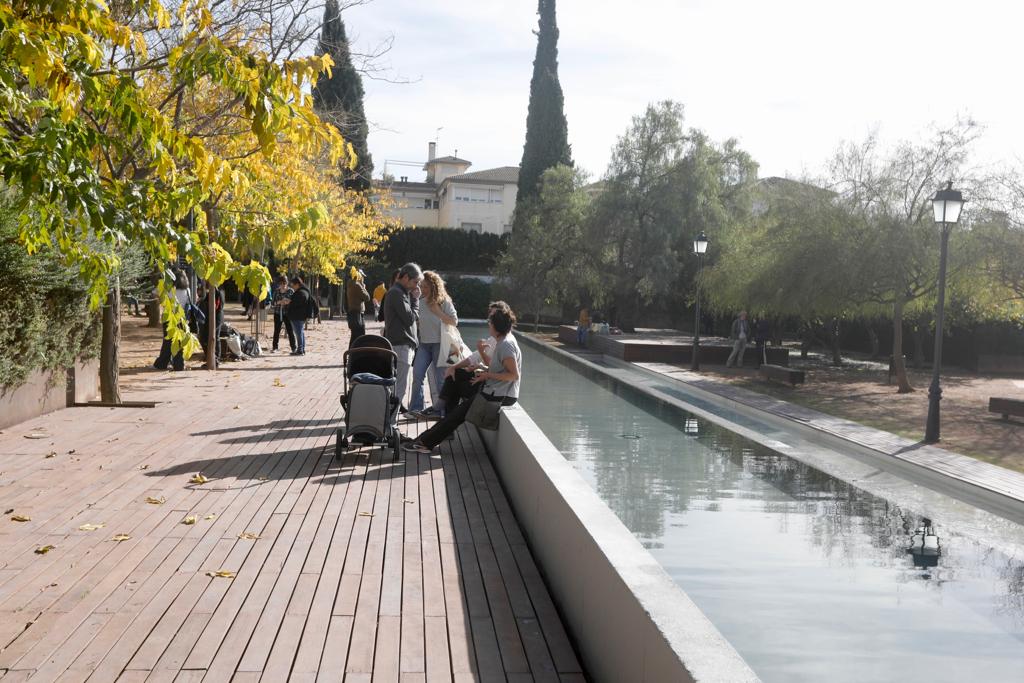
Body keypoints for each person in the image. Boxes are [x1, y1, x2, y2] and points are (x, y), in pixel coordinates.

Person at [405, 305, 520, 454]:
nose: (488, 325)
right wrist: (483, 369)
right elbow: (499, 368)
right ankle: (431, 431)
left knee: (458, 414)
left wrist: (487, 375)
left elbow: (513, 375)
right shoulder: (502, 341)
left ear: (496, 326)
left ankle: (425, 442)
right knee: (456, 388)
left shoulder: (506, 345)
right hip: (493, 390)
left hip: (500, 396)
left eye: (490, 323)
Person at [436, 301, 508, 414]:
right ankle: (444, 414)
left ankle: (443, 412)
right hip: (485, 376)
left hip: (491, 384)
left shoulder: (504, 342)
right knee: (454, 372)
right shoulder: (493, 339)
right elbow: (473, 358)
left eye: (494, 316)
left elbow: (496, 368)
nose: (490, 319)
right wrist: (454, 366)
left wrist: (480, 362)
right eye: (491, 316)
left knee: (455, 385)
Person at [409, 271, 458, 419]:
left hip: (440, 345)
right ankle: (416, 409)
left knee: (440, 380)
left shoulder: (444, 302)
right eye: (421, 286)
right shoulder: (420, 301)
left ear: (434, 287)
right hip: (424, 344)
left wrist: (437, 312)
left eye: (426, 287)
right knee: (417, 375)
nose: (422, 290)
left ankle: (440, 411)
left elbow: (454, 322)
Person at [383, 263, 422, 424]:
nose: (416, 286)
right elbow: (410, 318)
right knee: (399, 388)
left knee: (397, 387)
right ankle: (390, 426)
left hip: (401, 345)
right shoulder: (397, 293)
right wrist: (416, 300)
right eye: (415, 282)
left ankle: (389, 424)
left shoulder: (399, 292)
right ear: (406, 278)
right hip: (400, 346)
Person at [153, 268, 191, 371]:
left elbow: (155, 293)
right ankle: (179, 364)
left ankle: (162, 363)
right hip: (182, 319)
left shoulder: (168, 289)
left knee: (167, 341)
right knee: (179, 342)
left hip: (169, 318)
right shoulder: (187, 290)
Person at [197, 282, 225, 365]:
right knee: (210, 337)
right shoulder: (213, 293)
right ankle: (211, 357)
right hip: (213, 318)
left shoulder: (217, 293)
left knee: (211, 337)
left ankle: (215, 358)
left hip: (216, 318)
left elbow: (215, 306)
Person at [345, 267, 372, 347]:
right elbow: (367, 297)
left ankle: (351, 354)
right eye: (362, 277)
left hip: (353, 313)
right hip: (357, 314)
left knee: (354, 336)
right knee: (360, 336)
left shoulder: (350, 284)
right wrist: (363, 287)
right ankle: (356, 354)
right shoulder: (357, 285)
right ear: (359, 276)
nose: (363, 278)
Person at [286, 275, 312, 355]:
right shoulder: (304, 291)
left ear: (297, 284)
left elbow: (298, 303)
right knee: (300, 332)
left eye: (293, 285)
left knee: (298, 333)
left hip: (297, 316)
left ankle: (300, 350)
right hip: (300, 316)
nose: (292, 287)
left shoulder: (301, 293)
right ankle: (301, 349)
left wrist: (289, 302)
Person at [271, 275, 296, 352]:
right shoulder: (276, 291)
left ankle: (293, 347)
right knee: (276, 330)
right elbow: (272, 303)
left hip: (287, 313)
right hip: (278, 313)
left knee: (290, 330)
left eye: (284, 283)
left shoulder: (291, 291)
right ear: (279, 284)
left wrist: (288, 302)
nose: (283, 285)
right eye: (281, 283)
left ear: (287, 283)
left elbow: (295, 302)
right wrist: (278, 302)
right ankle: (275, 347)